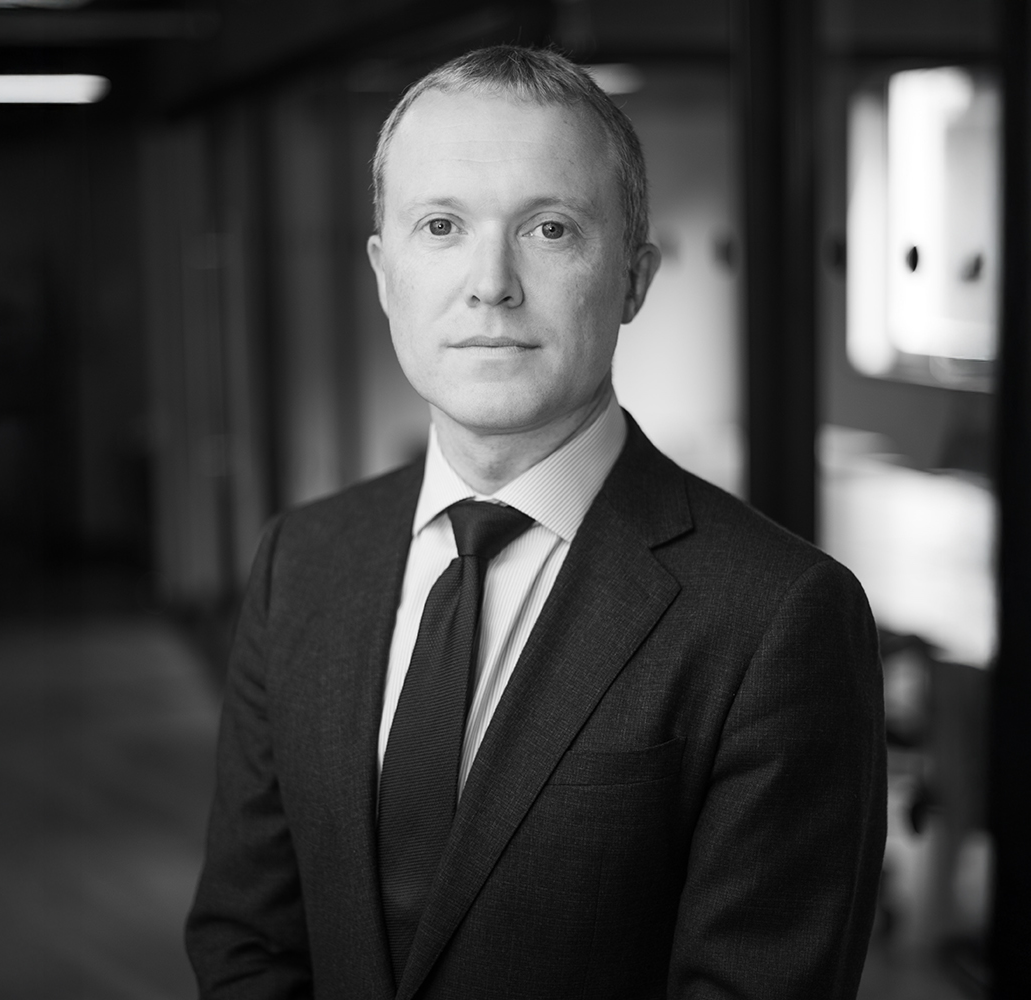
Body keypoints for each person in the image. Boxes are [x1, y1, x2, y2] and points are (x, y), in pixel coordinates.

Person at [186, 45, 886, 1000]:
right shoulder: (299, 562)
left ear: (634, 278)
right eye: (441, 226)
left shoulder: (778, 619)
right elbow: (248, 938)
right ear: (385, 273)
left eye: (550, 229)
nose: (492, 283)